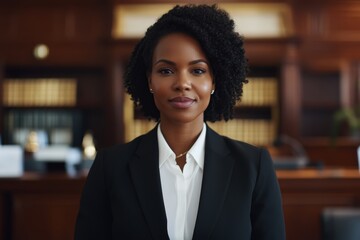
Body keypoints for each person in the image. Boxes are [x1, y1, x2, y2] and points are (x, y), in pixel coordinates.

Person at [75, 4, 285, 240]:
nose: (182, 83)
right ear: (149, 81)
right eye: (166, 71)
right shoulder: (110, 167)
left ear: (215, 81)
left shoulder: (254, 168)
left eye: (197, 71)